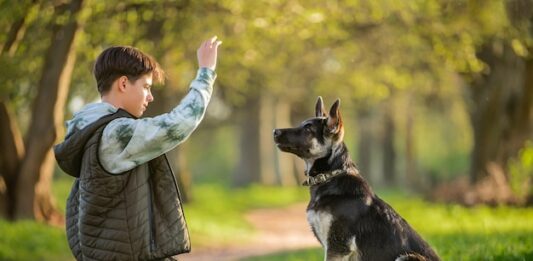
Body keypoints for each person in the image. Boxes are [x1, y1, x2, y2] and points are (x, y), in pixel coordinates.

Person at [54, 36, 222, 260]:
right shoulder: (114, 134)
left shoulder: (89, 127)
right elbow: (177, 124)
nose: (150, 97)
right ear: (123, 84)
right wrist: (205, 73)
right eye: (146, 87)